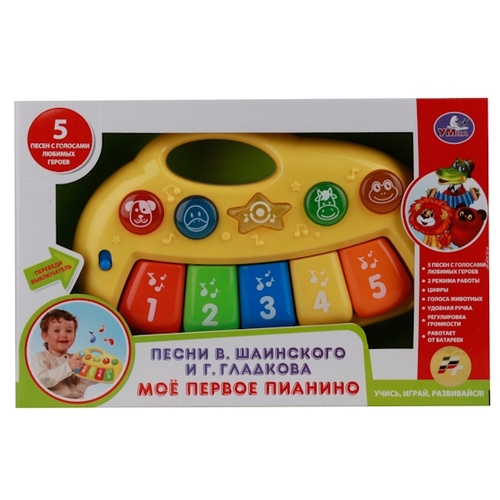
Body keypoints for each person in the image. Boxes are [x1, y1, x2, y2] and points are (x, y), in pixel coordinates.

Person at [31, 309, 96, 399]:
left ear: (74, 336)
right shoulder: (41, 357)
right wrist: (69, 366)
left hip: (76, 402)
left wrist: (92, 374)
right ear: (45, 336)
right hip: (52, 402)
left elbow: (80, 386)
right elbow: (42, 381)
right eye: (57, 330)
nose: (64, 335)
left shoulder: (75, 358)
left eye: (69, 331)